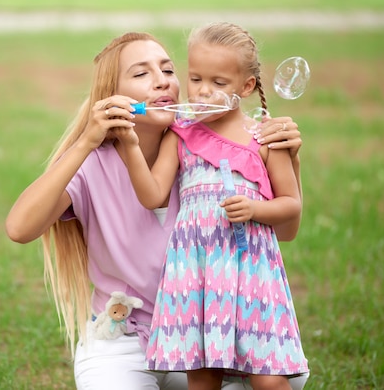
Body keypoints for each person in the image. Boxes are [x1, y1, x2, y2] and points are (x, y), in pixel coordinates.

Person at [5, 31, 307, 390]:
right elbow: (19, 228)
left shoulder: (206, 148)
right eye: (141, 74)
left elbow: (285, 231)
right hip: (124, 341)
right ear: (112, 97)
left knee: (285, 379)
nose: (162, 81)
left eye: (168, 70)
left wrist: (287, 162)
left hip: (205, 327)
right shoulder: (95, 164)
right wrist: (87, 139)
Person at [115, 22, 309, 390]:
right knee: (202, 379)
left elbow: (291, 206)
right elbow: (153, 194)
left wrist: (255, 211)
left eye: (219, 84)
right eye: (196, 79)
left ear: (245, 87)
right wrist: (128, 144)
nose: (204, 91)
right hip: (197, 272)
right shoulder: (181, 134)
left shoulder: (265, 138)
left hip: (252, 272)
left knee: (269, 381)